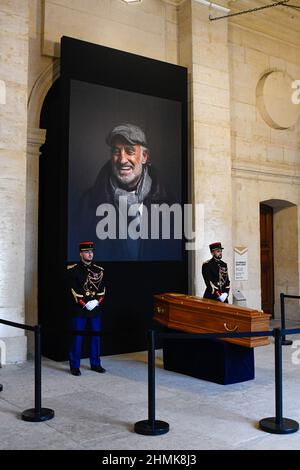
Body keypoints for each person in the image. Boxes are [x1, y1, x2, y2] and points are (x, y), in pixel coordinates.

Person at [73, 123, 180, 261]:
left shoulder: (169, 202)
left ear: (144, 157)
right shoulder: (87, 203)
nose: (122, 160)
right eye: (117, 152)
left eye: (129, 151)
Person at [67, 241, 106, 376]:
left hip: (94, 308)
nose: (90, 254)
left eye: (91, 252)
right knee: (77, 338)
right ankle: (74, 366)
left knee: (96, 338)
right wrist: (84, 304)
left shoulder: (99, 270)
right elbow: (73, 290)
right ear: (80, 253)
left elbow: (102, 291)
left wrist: (96, 302)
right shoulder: (73, 270)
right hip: (80, 309)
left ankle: (95, 364)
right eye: (87, 252)